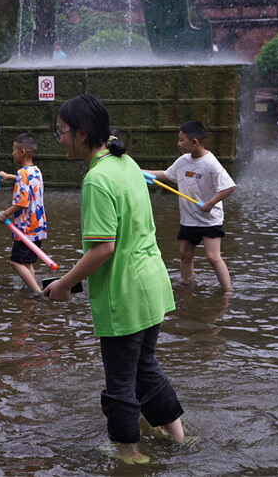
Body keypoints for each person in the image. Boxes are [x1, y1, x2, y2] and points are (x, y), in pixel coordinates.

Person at [43, 94, 184, 464]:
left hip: (124, 295)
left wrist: (61, 285)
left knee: (120, 381)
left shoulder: (96, 180)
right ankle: (179, 437)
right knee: (145, 367)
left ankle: (128, 451)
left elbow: (103, 249)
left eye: (61, 132)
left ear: (82, 133)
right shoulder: (127, 163)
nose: (58, 139)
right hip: (152, 286)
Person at [145, 120, 236, 292]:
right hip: (189, 218)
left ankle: (227, 292)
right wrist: (140, 171)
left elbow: (229, 186)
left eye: (181, 140)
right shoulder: (183, 161)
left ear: (194, 142)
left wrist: (210, 203)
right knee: (185, 254)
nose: (178, 144)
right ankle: (187, 284)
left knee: (212, 257)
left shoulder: (211, 163)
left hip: (209, 220)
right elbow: (165, 175)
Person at [0, 133, 47, 296]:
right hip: (38, 227)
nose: (12, 154)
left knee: (15, 262)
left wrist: (4, 214)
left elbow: (21, 202)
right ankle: (31, 287)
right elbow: (25, 180)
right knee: (27, 261)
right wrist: (8, 176)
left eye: (13, 150)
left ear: (22, 152)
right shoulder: (35, 170)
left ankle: (37, 291)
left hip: (26, 229)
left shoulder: (23, 173)